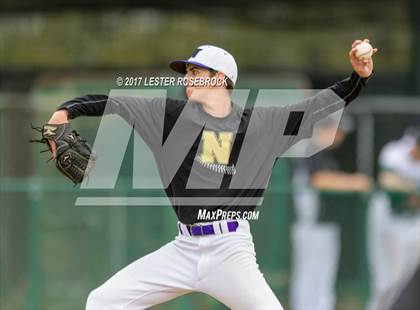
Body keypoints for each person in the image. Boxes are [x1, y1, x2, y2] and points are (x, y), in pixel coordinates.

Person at [46, 40, 376, 309]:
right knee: (103, 302)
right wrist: (63, 114)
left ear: (219, 78)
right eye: (186, 71)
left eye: (194, 70)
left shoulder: (261, 125)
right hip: (184, 247)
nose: (186, 77)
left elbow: (319, 105)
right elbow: (111, 102)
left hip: (230, 249)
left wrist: (357, 77)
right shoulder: (168, 116)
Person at [290, 115, 372, 310]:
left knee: (323, 279)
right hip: (310, 226)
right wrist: (355, 182)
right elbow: (318, 180)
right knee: (308, 278)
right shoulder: (309, 149)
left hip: (325, 225)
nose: (341, 136)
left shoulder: (324, 155)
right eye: (339, 130)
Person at [367, 127, 420, 310]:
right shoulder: (395, 152)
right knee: (387, 279)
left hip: (412, 222)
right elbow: (388, 181)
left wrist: (407, 188)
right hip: (387, 220)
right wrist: (412, 190)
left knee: (408, 276)